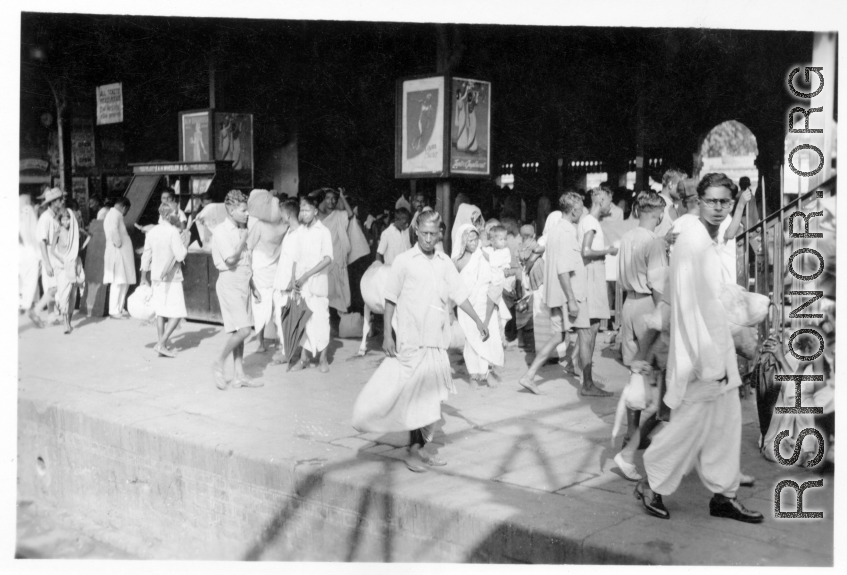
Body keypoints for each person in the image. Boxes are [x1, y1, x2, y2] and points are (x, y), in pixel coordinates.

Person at [634, 173, 763, 524]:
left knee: (726, 424)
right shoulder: (692, 242)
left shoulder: (703, 234)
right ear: (699, 201)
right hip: (701, 357)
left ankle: (724, 494)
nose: (719, 208)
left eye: (725, 201)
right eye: (712, 201)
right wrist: (710, 362)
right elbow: (689, 308)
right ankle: (652, 483)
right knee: (687, 426)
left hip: (717, 351)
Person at [353, 210, 490, 472]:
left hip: (436, 342)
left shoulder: (445, 262)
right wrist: (386, 336)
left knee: (430, 400)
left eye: (433, 233)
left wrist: (478, 321)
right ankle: (412, 450)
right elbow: (390, 298)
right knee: (416, 397)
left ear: (440, 233)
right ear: (416, 232)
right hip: (410, 340)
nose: (428, 238)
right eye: (424, 233)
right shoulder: (404, 261)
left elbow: (460, 295)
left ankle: (419, 448)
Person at [518, 192, 611, 397]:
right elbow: (563, 269)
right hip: (569, 294)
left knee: (558, 336)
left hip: (557, 294)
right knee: (586, 334)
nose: (582, 212)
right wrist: (571, 300)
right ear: (575, 210)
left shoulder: (555, 229)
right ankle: (587, 385)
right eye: (580, 209)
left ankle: (529, 375)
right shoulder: (567, 231)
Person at [211, 190, 263, 390]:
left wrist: (253, 286)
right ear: (232, 211)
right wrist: (243, 239)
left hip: (243, 284)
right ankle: (219, 361)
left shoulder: (242, 228)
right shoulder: (221, 232)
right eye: (243, 210)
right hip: (230, 283)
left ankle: (239, 375)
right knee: (243, 330)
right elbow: (231, 260)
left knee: (239, 330)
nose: (247, 214)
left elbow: (245, 263)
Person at [453, 224, 503, 387]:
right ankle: (474, 374)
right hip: (467, 306)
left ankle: (486, 372)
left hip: (484, 302)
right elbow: (453, 287)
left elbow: (494, 276)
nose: (473, 243)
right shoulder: (457, 262)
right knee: (471, 339)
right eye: (469, 240)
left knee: (487, 337)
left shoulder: (483, 256)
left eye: (475, 239)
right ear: (462, 242)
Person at [290, 189, 334, 373]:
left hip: (316, 284)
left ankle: (323, 359)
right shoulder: (299, 232)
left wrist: (307, 275)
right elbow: (295, 258)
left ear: (316, 211)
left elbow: (327, 258)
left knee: (321, 319)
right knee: (304, 321)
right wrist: (293, 279)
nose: (303, 214)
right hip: (301, 285)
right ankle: (304, 359)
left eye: (307, 210)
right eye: (301, 210)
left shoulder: (323, 232)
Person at [576, 186, 617, 380]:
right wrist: (608, 251)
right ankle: (587, 382)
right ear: (600, 200)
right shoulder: (591, 222)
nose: (611, 205)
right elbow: (586, 251)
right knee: (590, 331)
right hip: (592, 274)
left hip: (593, 274)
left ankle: (579, 371)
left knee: (590, 330)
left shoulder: (589, 221)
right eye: (609, 201)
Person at [140, 203, 190, 357]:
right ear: (168, 216)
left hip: (156, 277)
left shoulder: (152, 232)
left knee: (161, 312)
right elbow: (180, 255)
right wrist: (186, 242)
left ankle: (162, 345)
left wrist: (143, 277)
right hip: (172, 277)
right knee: (178, 312)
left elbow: (146, 256)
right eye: (176, 214)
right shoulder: (173, 232)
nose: (178, 217)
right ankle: (162, 343)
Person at [246, 189, 288, 353]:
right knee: (278, 306)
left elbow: (249, 247)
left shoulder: (259, 225)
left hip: (260, 270)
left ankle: (260, 343)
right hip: (276, 270)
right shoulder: (284, 225)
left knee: (260, 307)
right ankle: (279, 341)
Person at [271, 199, 302, 363]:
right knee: (280, 316)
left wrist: (292, 281)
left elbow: (298, 260)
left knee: (287, 317)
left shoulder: (299, 234)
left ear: (288, 214)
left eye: (282, 213)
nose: (280, 216)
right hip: (281, 281)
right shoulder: (289, 232)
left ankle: (288, 351)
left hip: (289, 284)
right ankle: (286, 348)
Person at [318, 187, 357, 313]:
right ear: (324, 200)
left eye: (333, 198)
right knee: (325, 287)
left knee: (339, 286)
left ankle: (342, 313)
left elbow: (350, 214)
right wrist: (321, 189)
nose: (331, 201)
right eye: (328, 198)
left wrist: (342, 196)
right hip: (324, 257)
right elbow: (309, 196)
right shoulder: (319, 215)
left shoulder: (340, 215)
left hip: (337, 255)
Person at [33, 188, 65, 324]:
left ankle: (51, 316)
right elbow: (42, 241)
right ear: (53, 202)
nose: (62, 202)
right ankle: (35, 311)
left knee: (53, 286)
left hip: (54, 254)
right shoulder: (45, 218)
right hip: (48, 255)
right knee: (53, 287)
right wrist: (46, 263)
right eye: (60, 200)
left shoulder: (53, 217)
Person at [52, 207, 85, 334]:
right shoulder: (58, 231)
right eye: (63, 220)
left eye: (68, 220)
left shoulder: (74, 232)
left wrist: (78, 250)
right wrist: (62, 259)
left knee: (72, 294)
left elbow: (89, 236)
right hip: (61, 267)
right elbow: (52, 250)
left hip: (74, 265)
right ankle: (65, 323)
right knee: (63, 294)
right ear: (60, 220)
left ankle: (69, 323)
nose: (66, 222)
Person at [103, 197, 136, 319]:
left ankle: (120, 307)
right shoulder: (113, 215)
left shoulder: (116, 215)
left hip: (122, 253)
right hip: (117, 252)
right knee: (118, 281)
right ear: (124, 207)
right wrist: (119, 243)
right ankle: (113, 310)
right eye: (127, 210)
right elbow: (113, 231)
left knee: (124, 281)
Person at [481, 224, 513, 349]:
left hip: (498, 282)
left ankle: (486, 322)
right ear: (492, 241)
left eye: (505, 239)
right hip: (492, 282)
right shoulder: (491, 249)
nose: (504, 242)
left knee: (491, 301)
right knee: (494, 306)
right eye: (501, 239)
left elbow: (490, 259)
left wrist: (480, 250)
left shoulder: (504, 251)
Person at [20, 195, 43, 327]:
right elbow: (35, 235)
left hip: (22, 255)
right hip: (32, 254)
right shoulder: (30, 212)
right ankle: (34, 311)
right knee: (33, 285)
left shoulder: (20, 216)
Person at [654, 169, 685, 238]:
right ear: (670, 184)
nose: (683, 190)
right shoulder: (658, 205)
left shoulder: (671, 206)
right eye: (680, 185)